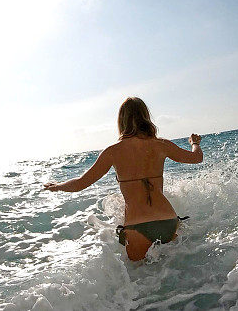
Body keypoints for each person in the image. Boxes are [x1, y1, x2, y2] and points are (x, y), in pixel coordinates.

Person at [43, 97, 203, 261]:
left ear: (121, 121)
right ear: (146, 117)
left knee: (141, 281)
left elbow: (80, 183)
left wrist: (58, 186)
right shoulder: (162, 145)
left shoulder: (113, 151)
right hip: (168, 220)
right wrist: (194, 142)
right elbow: (196, 158)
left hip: (137, 227)